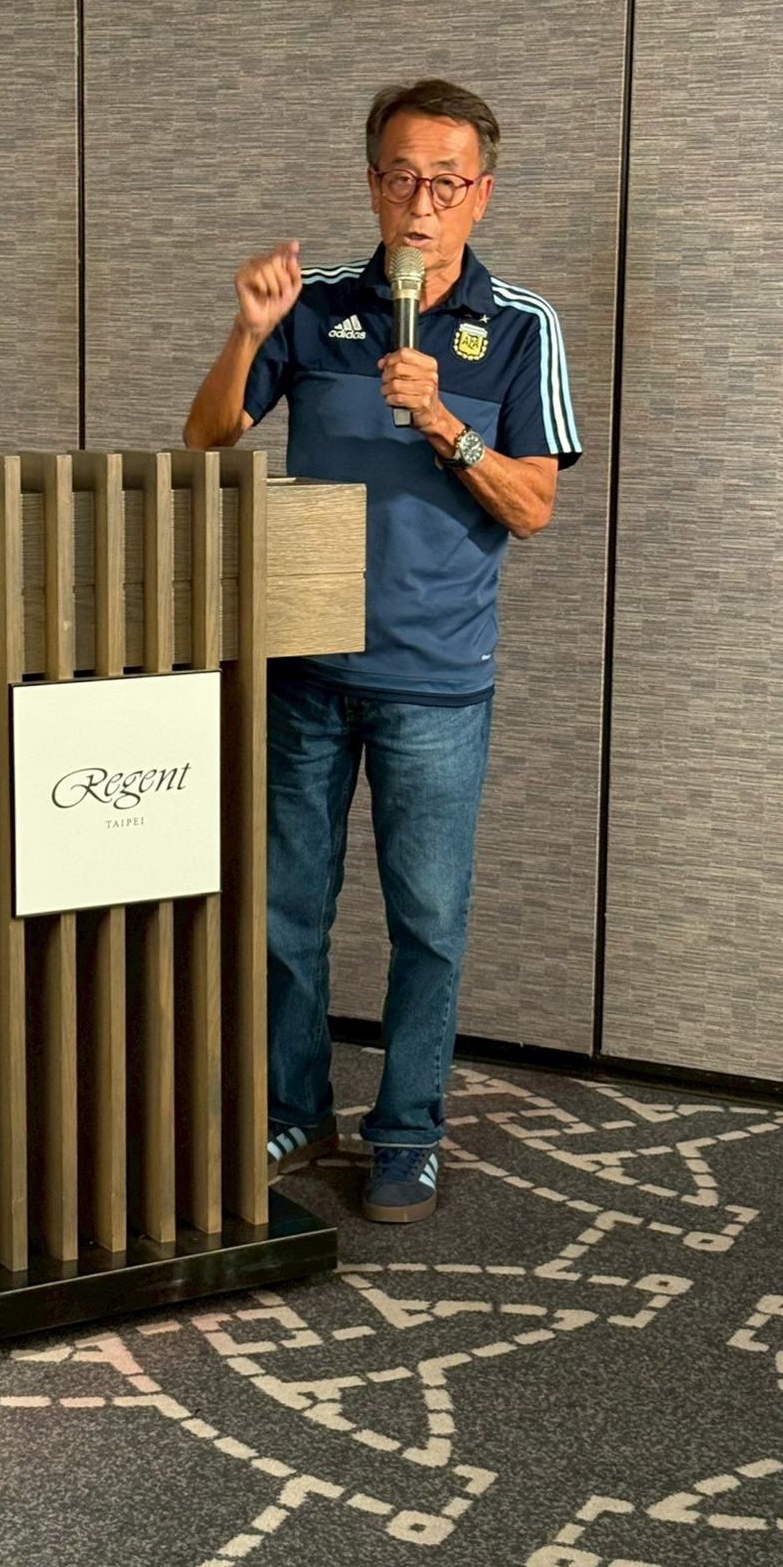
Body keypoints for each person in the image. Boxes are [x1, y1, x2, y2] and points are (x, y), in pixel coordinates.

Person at [184, 78, 581, 1224]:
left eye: (446, 183)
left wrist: (446, 421)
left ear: (482, 194)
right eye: (402, 177)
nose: (421, 203)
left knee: (427, 921)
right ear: (370, 183)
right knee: (286, 909)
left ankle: (407, 1131)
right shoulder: (311, 306)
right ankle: (294, 1109)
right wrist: (247, 330)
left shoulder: (522, 326)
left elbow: (533, 507)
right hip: (303, 668)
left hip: (435, 683)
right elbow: (207, 436)